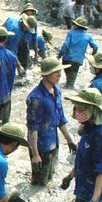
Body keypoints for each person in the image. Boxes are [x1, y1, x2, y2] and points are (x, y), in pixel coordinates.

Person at [26, 57, 78, 186]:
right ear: (45, 75)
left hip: (54, 142)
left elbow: (60, 118)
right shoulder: (36, 98)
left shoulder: (57, 91)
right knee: (39, 182)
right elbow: (32, 128)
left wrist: (69, 140)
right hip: (41, 146)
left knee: (51, 174)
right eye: (55, 72)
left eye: (59, 71)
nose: (59, 75)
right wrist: (35, 154)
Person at [57, 17, 99, 89]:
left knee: (68, 78)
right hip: (77, 60)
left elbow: (65, 45)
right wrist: (93, 55)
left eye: (74, 24)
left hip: (66, 59)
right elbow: (95, 47)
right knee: (71, 82)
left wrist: (59, 56)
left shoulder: (70, 33)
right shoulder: (88, 36)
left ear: (76, 26)